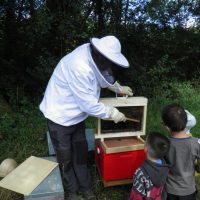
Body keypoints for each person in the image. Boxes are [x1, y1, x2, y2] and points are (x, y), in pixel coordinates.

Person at [39, 35, 133, 200]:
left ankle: (86, 187)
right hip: (59, 116)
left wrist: (117, 87)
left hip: (77, 116)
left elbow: (101, 75)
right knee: (65, 158)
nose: (109, 65)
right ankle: (71, 191)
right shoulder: (79, 66)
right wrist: (113, 113)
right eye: (108, 60)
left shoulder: (94, 54)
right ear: (99, 54)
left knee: (80, 154)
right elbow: (88, 105)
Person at [162, 104, 200, 200]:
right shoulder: (196, 143)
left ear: (167, 127)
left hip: (169, 190)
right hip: (189, 190)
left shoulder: (164, 143)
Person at [128, 132, 171, 200]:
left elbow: (137, 195)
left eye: (145, 141)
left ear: (145, 148)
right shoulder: (164, 165)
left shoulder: (140, 172)